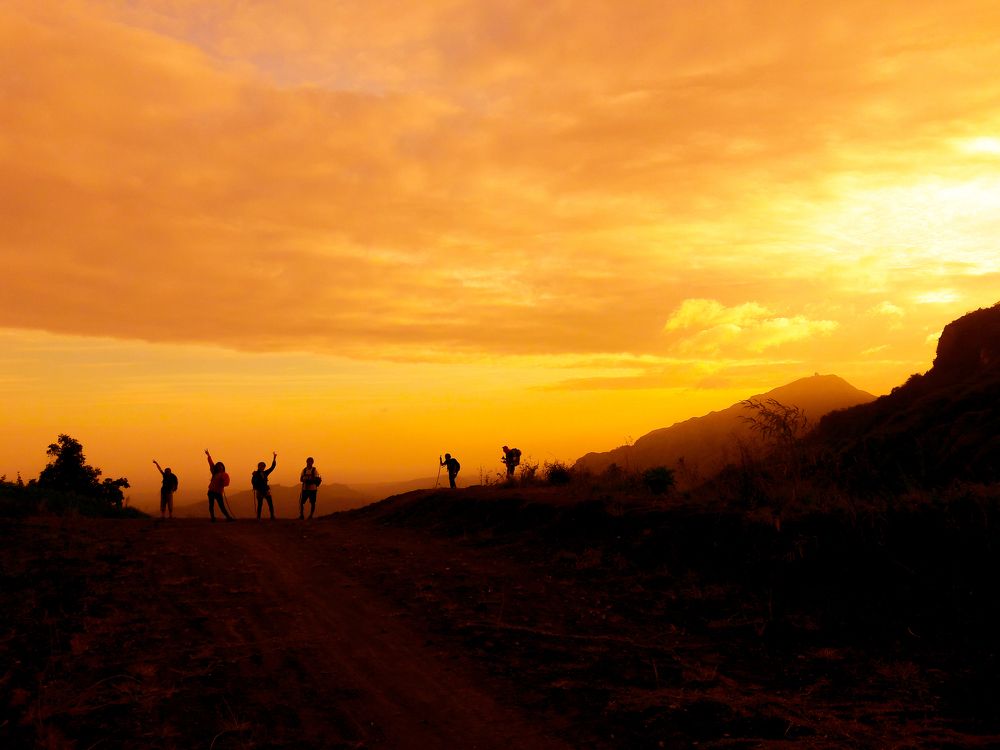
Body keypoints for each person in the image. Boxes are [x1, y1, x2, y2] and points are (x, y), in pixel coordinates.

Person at [205, 449, 234, 522]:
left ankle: (228, 517)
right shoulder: (216, 473)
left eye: (220, 466)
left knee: (221, 506)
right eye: (218, 466)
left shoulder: (224, 475)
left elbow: (227, 483)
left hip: (217, 492)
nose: (220, 467)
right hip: (212, 491)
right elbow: (211, 464)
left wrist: (223, 483)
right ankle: (213, 518)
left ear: (223, 467)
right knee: (212, 505)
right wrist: (208, 455)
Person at [251, 452, 278, 520]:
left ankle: (271, 516)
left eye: (263, 466)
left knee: (270, 503)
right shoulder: (256, 474)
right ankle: (259, 517)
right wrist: (255, 487)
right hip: (260, 490)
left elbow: (272, 468)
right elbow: (253, 481)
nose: (262, 467)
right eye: (261, 466)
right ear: (259, 466)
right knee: (260, 504)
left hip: (265, 490)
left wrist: (274, 458)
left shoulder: (264, 473)